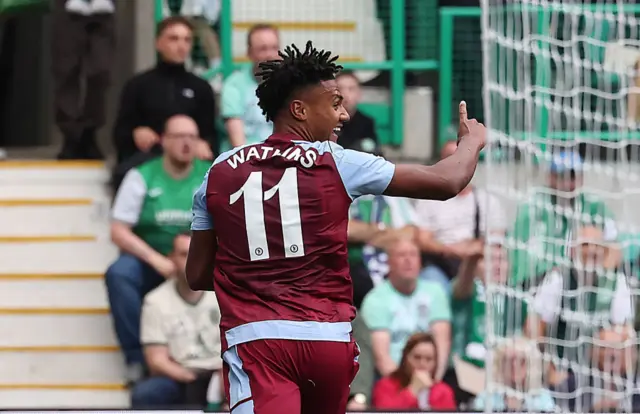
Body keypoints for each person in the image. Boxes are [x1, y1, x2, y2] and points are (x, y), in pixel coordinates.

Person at [186, 41, 486, 414]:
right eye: (334, 104)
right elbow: (447, 182)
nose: (344, 114)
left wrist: (255, 268)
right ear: (299, 109)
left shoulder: (219, 171)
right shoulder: (336, 161)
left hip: (257, 342)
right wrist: (471, 143)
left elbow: (198, 275)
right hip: (327, 343)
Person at [106, 114, 210, 383]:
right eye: (179, 137)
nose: (186, 143)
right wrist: (155, 259)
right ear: (163, 141)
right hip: (154, 261)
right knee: (120, 274)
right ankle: (136, 360)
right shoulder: (141, 176)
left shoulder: (211, 174)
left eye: (192, 137)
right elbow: (118, 230)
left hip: (198, 262)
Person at [525, 225, 635, 412]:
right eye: (585, 244)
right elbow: (533, 329)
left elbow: (626, 340)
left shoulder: (617, 283)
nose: (591, 250)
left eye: (596, 245)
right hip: (563, 374)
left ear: (604, 251)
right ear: (572, 250)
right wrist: (548, 369)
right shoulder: (558, 279)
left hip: (600, 376)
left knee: (615, 338)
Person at [112, 16, 217, 186]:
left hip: (190, 162)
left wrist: (203, 143)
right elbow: (119, 133)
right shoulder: (138, 85)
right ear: (158, 43)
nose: (181, 46)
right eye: (173, 39)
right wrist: (136, 133)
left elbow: (210, 135)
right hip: (148, 161)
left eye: (187, 40)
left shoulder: (201, 88)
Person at [132, 233, 225, 409]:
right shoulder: (156, 301)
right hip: (182, 375)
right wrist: (194, 380)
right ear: (172, 258)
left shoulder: (223, 294)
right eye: (184, 254)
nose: (191, 260)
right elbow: (157, 361)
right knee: (147, 393)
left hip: (222, 372)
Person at [361, 238, 452, 380]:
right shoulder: (375, 300)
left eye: (413, 254)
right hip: (392, 381)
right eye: (401, 255)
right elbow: (382, 359)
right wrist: (408, 391)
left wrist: (432, 384)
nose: (408, 260)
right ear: (389, 262)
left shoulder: (435, 293)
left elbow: (442, 345)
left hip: (431, 380)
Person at [52, 0, 115, 159]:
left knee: (101, 72)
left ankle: (89, 131)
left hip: (103, 10)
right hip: (68, 8)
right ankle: (71, 135)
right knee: (66, 71)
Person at [220, 24, 279, 150]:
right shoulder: (234, 85)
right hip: (246, 160)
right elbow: (238, 144)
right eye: (263, 49)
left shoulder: (290, 85)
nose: (270, 55)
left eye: (274, 48)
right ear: (249, 53)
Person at [372, 332, 456, 410]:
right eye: (417, 357)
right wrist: (413, 390)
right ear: (405, 358)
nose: (422, 364)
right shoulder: (385, 386)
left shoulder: (444, 392)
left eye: (429, 359)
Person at [472, 338, 556, 412]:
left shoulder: (543, 398)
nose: (515, 366)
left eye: (521, 361)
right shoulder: (486, 398)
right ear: (500, 365)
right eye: (509, 361)